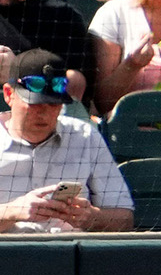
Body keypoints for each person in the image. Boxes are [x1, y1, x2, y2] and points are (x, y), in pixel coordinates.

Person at [0, 49, 134, 233]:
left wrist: (91, 218)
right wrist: (10, 212)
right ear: (9, 94)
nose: (44, 113)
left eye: (53, 104)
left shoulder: (85, 136)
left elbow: (125, 219)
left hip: (70, 253)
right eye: (34, 103)